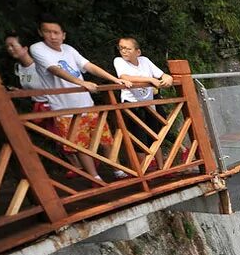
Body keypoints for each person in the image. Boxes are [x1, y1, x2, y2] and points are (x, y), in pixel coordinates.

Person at [29, 14, 129, 181]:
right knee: (80, 146)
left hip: (86, 103)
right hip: (65, 109)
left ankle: (118, 171)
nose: (53, 36)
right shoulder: (37, 48)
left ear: (63, 35)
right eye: (48, 32)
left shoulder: (68, 49)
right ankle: (95, 178)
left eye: (56, 32)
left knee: (105, 140)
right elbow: (54, 69)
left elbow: (88, 65)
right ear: (40, 32)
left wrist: (114, 79)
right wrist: (80, 83)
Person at [113, 37, 173, 168]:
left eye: (128, 48)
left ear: (137, 52)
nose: (124, 51)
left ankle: (161, 167)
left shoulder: (144, 61)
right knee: (138, 138)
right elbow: (124, 77)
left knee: (154, 135)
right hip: (132, 104)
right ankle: (143, 171)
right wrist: (149, 79)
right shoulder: (118, 61)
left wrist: (167, 77)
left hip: (149, 103)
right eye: (121, 48)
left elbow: (161, 75)